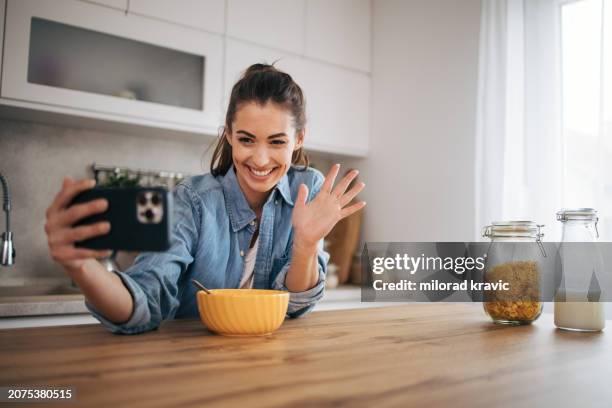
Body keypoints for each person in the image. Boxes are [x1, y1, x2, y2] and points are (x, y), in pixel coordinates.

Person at [44, 63, 366, 334]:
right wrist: (81, 266)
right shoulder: (192, 201)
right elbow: (145, 300)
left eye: (277, 142)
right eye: (247, 139)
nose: (261, 159)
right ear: (228, 134)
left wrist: (306, 245)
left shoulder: (307, 189)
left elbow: (296, 306)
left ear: (299, 139)